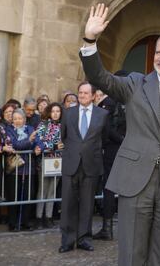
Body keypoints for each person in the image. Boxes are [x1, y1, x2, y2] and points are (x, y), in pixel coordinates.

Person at [79, 4, 160, 265]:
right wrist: (90, 40)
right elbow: (100, 78)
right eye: (158, 52)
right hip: (135, 182)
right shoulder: (135, 84)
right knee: (132, 255)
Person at [58, 82, 109, 253]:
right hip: (71, 164)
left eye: (86, 93)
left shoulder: (103, 114)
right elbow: (63, 136)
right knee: (68, 205)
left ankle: (84, 239)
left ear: (94, 95)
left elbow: (105, 138)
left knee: (87, 204)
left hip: (91, 165)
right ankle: (67, 240)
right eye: (80, 93)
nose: (82, 96)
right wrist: (75, 150)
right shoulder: (68, 113)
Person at [93, 70, 128, 241]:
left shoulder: (110, 101)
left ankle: (108, 229)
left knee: (109, 188)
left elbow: (109, 129)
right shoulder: (128, 100)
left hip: (115, 149)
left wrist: (123, 141)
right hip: (126, 148)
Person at [5, 108, 42, 231]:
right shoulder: (9, 130)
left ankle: (25, 221)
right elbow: (15, 145)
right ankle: (13, 222)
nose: (17, 121)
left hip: (28, 168)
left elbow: (39, 141)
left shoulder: (30, 129)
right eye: (15, 118)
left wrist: (38, 147)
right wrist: (29, 140)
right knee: (13, 195)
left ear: (24, 119)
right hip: (15, 168)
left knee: (27, 195)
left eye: (20, 118)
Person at [35, 102, 63, 229]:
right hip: (45, 160)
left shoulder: (64, 126)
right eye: (53, 111)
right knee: (43, 189)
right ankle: (39, 217)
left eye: (58, 111)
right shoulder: (43, 125)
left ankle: (49, 216)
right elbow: (39, 141)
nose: (56, 114)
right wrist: (54, 146)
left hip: (58, 161)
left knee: (52, 190)